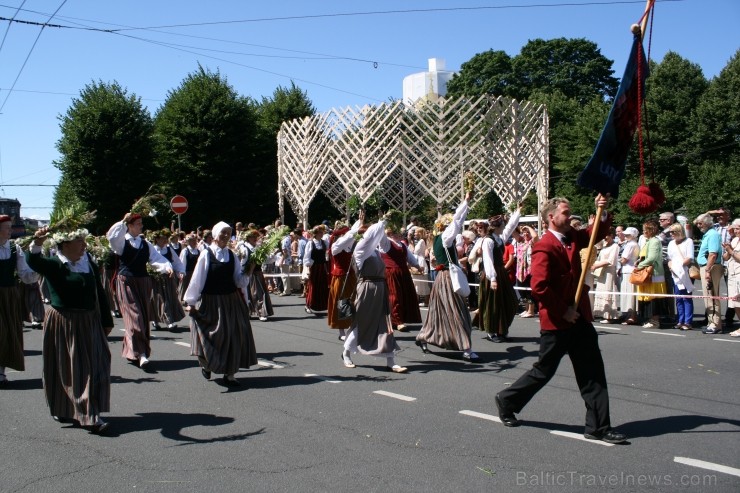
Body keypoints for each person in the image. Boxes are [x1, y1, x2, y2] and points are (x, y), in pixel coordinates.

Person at [495, 195, 627, 444]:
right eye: (566, 213)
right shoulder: (544, 246)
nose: (570, 216)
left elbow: (595, 232)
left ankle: (598, 426)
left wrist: (603, 210)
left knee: (592, 371)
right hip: (558, 321)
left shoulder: (575, 237)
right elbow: (539, 288)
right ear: (550, 218)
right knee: (543, 371)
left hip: (580, 318)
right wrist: (563, 310)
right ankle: (507, 400)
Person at [27, 227, 112, 434]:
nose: (84, 245)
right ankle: (83, 413)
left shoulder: (87, 263)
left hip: (89, 321)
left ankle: (88, 409)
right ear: (65, 245)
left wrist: (106, 320)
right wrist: (38, 241)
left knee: (95, 364)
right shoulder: (55, 264)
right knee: (66, 366)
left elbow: (98, 292)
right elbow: (33, 261)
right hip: (64, 321)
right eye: (80, 241)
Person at [184, 221, 257, 387]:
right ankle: (206, 362)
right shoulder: (206, 254)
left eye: (228, 233)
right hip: (211, 301)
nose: (225, 235)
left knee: (234, 335)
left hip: (231, 301)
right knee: (214, 335)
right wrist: (191, 301)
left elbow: (239, 281)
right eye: (223, 232)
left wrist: (249, 271)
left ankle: (230, 374)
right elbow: (197, 279)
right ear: (215, 235)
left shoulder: (232, 255)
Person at [416, 190, 479, 361]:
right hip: (447, 278)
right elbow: (458, 221)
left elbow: (457, 222)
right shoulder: (445, 237)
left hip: (442, 278)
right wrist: (466, 201)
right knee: (458, 313)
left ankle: (424, 337)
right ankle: (466, 348)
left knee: (438, 313)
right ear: (445, 226)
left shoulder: (439, 238)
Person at [341, 216, 407, 373]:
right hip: (367, 289)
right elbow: (371, 236)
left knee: (386, 324)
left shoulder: (376, 252)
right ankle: (346, 353)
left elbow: (379, 238)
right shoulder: (360, 251)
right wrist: (383, 221)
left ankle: (391, 361)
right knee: (361, 323)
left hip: (380, 288)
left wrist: (383, 225)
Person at [107, 213, 173, 369]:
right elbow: (111, 237)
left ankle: (134, 351)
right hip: (127, 282)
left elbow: (157, 259)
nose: (141, 226)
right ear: (129, 226)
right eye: (138, 223)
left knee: (142, 317)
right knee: (135, 318)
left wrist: (167, 267)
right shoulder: (121, 243)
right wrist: (123, 220)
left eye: (141, 223)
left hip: (143, 282)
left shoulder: (145, 244)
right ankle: (141, 354)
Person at [0, 215, 39, 386]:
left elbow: (25, 275)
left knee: (9, 332)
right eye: (7, 227)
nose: (10, 230)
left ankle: (1, 372)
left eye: (10, 227)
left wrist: (38, 270)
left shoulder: (15, 249)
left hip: (9, 295)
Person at [478, 207, 521, 343]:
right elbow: (488, 260)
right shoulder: (488, 241)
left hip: (501, 272)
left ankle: (502, 329)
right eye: (502, 224)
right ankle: (492, 331)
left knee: (510, 301)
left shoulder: (499, 238)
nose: (504, 226)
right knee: (493, 304)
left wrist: (518, 212)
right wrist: (493, 278)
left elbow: (511, 226)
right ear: (497, 227)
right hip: (493, 274)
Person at [381, 224, 423, 332]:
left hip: (403, 272)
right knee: (395, 296)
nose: (400, 234)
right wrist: (384, 220)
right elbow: (380, 235)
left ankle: (403, 318)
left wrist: (417, 266)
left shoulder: (402, 244)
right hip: (392, 272)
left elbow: (409, 257)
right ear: (391, 233)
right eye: (397, 233)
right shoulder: (386, 243)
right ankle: (397, 321)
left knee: (405, 296)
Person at [327, 215, 363, 341]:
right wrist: (357, 226)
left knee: (352, 301)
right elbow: (350, 235)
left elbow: (351, 236)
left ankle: (351, 328)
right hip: (340, 277)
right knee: (342, 302)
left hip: (350, 276)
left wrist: (360, 221)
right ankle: (341, 330)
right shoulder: (336, 246)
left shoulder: (345, 244)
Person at [634, 219, 667, 328]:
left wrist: (640, 266)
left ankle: (655, 320)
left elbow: (652, 257)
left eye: (644, 230)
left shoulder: (654, 241)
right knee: (647, 297)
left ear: (650, 230)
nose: (643, 232)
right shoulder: (649, 241)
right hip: (647, 272)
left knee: (653, 298)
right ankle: (650, 319)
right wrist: (639, 261)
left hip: (653, 274)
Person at [694, 213, 724, 334]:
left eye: (700, 223)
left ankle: (715, 324)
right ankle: (711, 322)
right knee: (708, 296)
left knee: (711, 295)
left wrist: (707, 270)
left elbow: (713, 254)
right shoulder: (707, 234)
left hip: (710, 267)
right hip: (706, 266)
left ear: (707, 222)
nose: (698, 225)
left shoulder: (712, 235)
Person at [152, 229, 186, 330]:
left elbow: (177, 262)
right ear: (157, 239)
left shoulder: (169, 249)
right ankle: (159, 320)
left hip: (169, 278)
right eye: (162, 239)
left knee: (169, 298)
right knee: (159, 299)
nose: (165, 241)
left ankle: (169, 320)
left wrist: (181, 272)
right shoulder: (153, 250)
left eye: (165, 239)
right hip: (156, 278)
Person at [241, 229, 274, 322]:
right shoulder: (245, 248)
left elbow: (266, 260)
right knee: (248, 294)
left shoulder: (258, 248)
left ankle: (261, 312)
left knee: (259, 293)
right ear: (248, 238)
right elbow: (242, 263)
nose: (255, 238)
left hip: (258, 273)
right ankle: (249, 312)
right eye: (253, 237)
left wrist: (273, 254)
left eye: (256, 237)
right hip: (249, 273)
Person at [666, 222, 695, 330]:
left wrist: (679, 266)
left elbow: (689, 257)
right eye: (670, 232)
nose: (671, 234)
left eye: (673, 232)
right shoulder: (671, 243)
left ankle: (688, 322)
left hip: (684, 271)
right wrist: (671, 267)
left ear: (679, 231)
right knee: (678, 297)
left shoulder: (688, 241)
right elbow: (669, 258)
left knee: (686, 297)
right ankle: (680, 320)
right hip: (674, 273)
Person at [591, 228, 620, 323]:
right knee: (601, 291)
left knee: (608, 291)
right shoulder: (604, 245)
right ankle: (603, 314)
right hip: (601, 271)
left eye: (607, 236)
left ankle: (610, 315)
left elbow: (610, 260)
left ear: (611, 235)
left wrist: (596, 265)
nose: (605, 238)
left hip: (609, 271)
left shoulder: (615, 246)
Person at [302, 226, 330, 314]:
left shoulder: (324, 243)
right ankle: (308, 305)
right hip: (314, 268)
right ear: (316, 234)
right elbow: (306, 257)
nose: (322, 234)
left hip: (322, 267)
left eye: (322, 232)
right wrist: (310, 265)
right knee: (313, 286)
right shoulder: (310, 243)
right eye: (320, 232)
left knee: (323, 286)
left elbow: (329, 252)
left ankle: (322, 305)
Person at [722, 219, 740, 337]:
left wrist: (731, 251)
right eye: (735, 229)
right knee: (734, 302)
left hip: (739, 274)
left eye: (738, 228)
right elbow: (726, 257)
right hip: (732, 274)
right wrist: (727, 250)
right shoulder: (734, 240)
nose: (736, 231)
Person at [619, 227, 640, 324]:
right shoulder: (634, 244)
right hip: (629, 270)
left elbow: (624, 259)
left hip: (628, 270)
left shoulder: (630, 245)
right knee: (629, 293)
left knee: (629, 294)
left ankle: (631, 316)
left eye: (628, 235)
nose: (625, 236)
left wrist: (619, 260)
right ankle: (630, 315)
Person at [178, 234, 200, 301]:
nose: (194, 242)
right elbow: (182, 262)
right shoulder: (185, 251)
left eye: (195, 240)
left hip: (195, 272)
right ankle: (183, 300)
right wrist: (182, 273)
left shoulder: (198, 251)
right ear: (189, 242)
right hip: (187, 273)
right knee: (185, 287)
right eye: (192, 241)